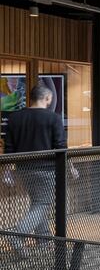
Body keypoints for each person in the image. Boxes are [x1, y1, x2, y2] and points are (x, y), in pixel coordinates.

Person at [4, 84, 66, 249]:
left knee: (37, 202)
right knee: (42, 203)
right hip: (46, 169)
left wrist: (8, 169)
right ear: (46, 98)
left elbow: (9, 148)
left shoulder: (14, 118)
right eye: (50, 99)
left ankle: (43, 240)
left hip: (23, 169)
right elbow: (60, 146)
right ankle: (18, 236)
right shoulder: (53, 118)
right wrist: (70, 167)